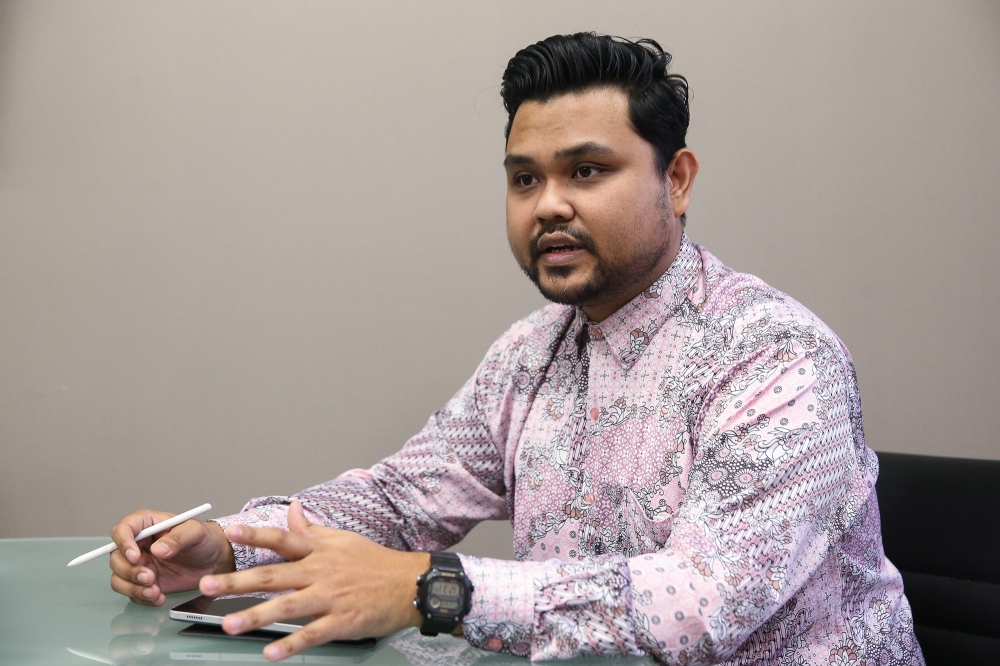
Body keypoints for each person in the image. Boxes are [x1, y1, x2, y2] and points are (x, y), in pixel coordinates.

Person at [109, 33, 924, 665]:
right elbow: (400, 500)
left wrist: (435, 589)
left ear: (676, 179)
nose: (549, 206)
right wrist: (230, 549)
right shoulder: (534, 352)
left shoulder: (777, 356)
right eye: (525, 179)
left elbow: (704, 603)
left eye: (588, 171)